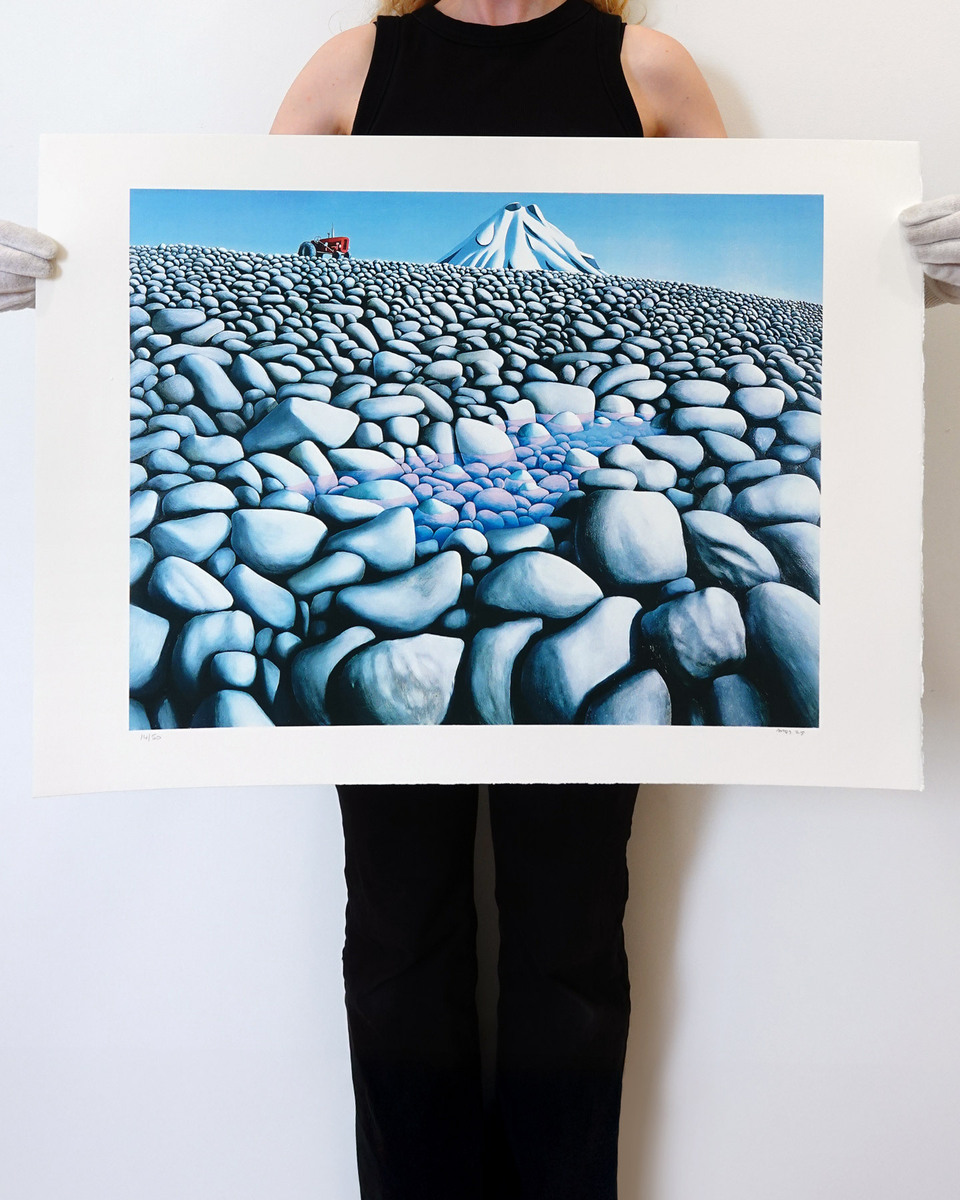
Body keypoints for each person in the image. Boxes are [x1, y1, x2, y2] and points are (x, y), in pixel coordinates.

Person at [2, 3, 958, 1198]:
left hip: (524, 527)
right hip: (440, 514)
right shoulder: (353, 66)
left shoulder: (645, 67)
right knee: (400, 935)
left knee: (570, 936)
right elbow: (265, 236)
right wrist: (69, 284)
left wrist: (898, 290)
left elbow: (790, 222)